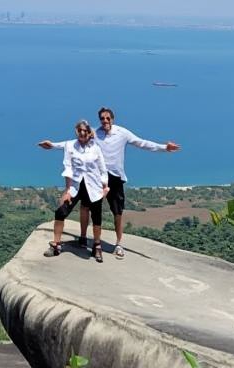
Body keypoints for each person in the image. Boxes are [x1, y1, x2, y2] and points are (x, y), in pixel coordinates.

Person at [39, 106, 179, 259]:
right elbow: (73, 142)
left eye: (108, 118)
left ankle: (118, 244)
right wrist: (52, 145)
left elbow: (142, 143)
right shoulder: (95, 133)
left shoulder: (123, 133)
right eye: (102, 118)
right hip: (96, 177)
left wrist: (164, 147)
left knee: (117, 212)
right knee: (86, 207)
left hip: (115, 177)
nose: (105, 121)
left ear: (112, 119)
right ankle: (83, 238)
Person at [42, 120, 110, 263]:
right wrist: (67, 190)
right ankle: (56, 244)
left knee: (96, 217)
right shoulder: (70, 146)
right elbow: (68, 168)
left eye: (85, 130)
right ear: (76, 131)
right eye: (80, 130)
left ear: (89, 132)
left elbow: (103, 169)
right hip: (76, 186)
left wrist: (105, 187)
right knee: (61, 212)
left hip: (94, 187)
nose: (82, 133)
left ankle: (97, 246)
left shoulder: (95, 148)